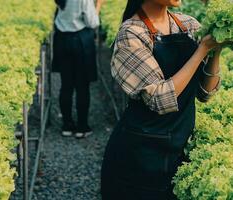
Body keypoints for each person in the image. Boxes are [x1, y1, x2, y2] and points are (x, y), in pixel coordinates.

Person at [101, 0, 224, 199]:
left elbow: (205, 92)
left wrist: (215, 50)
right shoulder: (131, 33)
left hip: (177, 146)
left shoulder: (188, 25)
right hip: (140, 154)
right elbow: (159, 99)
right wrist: (202, 50)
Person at [52, 0, 104, 138]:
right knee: (82, 85)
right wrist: (98, 5)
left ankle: (67, 125)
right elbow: (92, 22)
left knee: (66, 85)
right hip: (80, 40)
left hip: (62, 39)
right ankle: (82, 127)